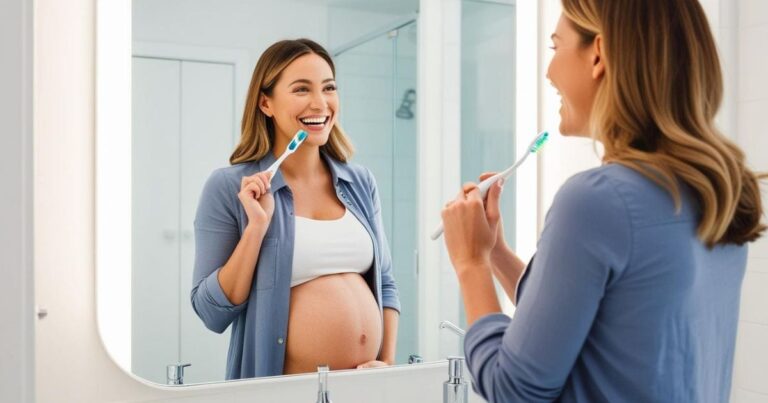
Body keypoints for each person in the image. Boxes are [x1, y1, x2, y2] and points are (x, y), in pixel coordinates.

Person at [440, 0, 766, 401]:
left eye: (555, 46)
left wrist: (471, 264)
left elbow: (512, 390)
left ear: (599, 55)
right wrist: (497, 255)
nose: (548, 71)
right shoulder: (721, 194)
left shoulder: (597, 202)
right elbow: (583, 325)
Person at [191, 38, 400, 379]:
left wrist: (387, 367)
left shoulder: (360, 182)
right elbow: (210, 313)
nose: (320, 103)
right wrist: (256, 229)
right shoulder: (229, 187)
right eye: (302, 90)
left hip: (365, 389)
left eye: (329, 88)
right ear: (265, 103)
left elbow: (386, 285)